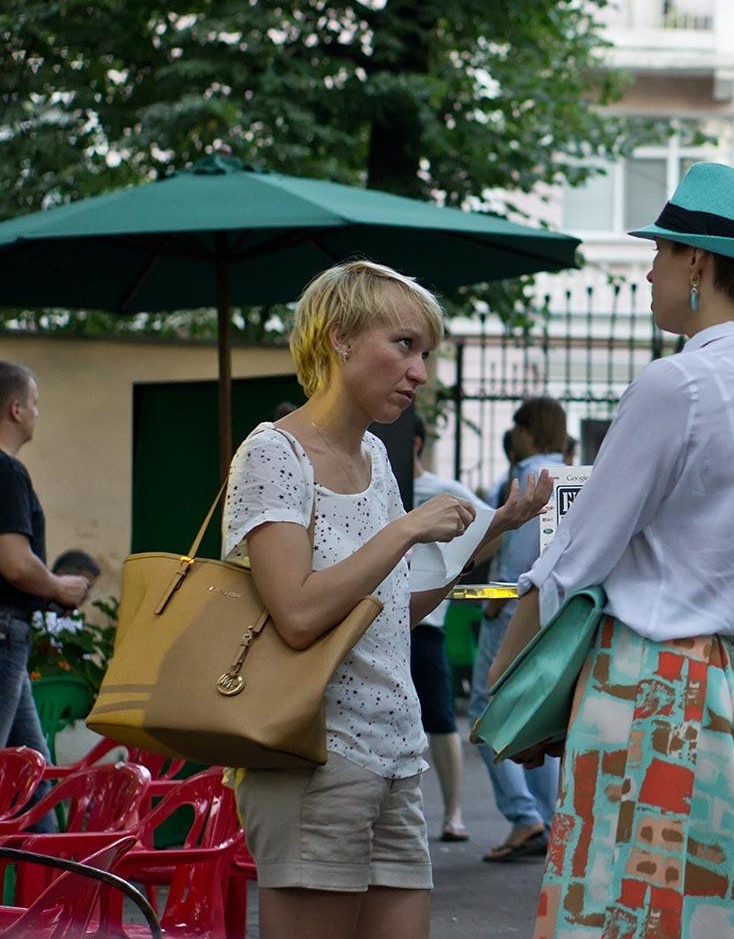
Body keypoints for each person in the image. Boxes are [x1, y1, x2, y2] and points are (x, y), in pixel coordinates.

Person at [491, 163, 734, 936]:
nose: (650, 270)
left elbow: (573, 559)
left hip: (652, 688)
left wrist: (510, 697)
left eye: (662, 252)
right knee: (711, 913)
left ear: (697, 262)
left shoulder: (680, 386)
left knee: (622, 911)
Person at [223, 260, 549, 939]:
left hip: (395, 755)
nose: (421, 372)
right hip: (313, 754)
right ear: (339, 338)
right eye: (404, 346)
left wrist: (498, 529)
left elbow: (388, 615)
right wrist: (406, 529)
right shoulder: (274, 452)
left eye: (425, 352)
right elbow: (301, 614)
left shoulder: (374, 456)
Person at [470, 399, 566, 865]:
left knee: (489, 709)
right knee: (541, 711)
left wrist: (488, 596)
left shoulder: (519, 479)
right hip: (555, 608)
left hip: (509, 604)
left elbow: (495, 542)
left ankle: (523, 815)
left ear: (527, 430)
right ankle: (550, 819)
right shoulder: (574, 476)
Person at [409, 414, 501, 845]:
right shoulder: (368, 482)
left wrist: (455, 571)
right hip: (368, 620)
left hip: (425, 624)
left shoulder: (443, 492)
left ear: (413, 443)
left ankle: (454, 813)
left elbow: (492, 530)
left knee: (441, 717)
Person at [0, 362, 91, 783]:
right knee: (20, 773)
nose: (38, 413)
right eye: (35, 404)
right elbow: (16, 563)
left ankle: (46, 846)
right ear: (16, 409)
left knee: (30, 774)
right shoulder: (8, 471)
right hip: (5, 630)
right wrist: (59, 586)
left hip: (11, 635)